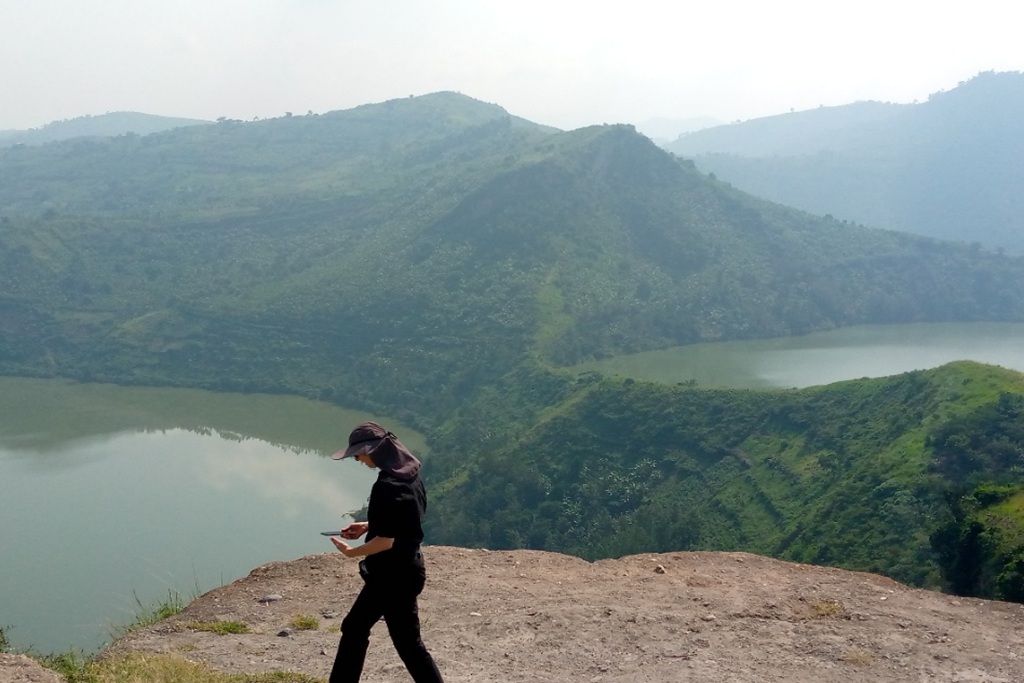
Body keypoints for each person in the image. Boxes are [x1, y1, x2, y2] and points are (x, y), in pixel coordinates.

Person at [327, 421, 445, 683]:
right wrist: (368, 525)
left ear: (374, 451)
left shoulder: (387, 485)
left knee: (356, 629)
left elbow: (385, 542)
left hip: (391, 576)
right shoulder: (409, 474)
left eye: (359, 453)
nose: (357, 458)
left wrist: (352, 551)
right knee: (407, 643)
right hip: (407, 569)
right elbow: (404, 518)